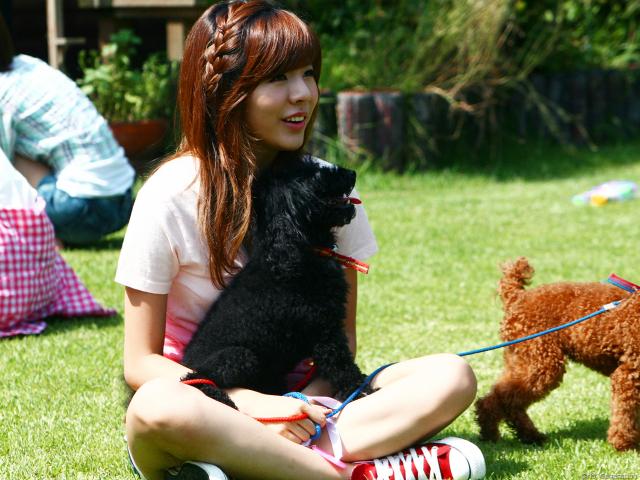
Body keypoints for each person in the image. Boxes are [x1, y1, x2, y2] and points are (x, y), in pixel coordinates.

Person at [116, 1, 485, 479]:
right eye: (278, 78)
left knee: (451, 375)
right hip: (206, 403)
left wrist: (301, 407)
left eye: (308, 74)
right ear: (226, 91)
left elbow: (340, 340)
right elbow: (141, 362)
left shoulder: (329, 190)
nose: (303, 94)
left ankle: (264, 464)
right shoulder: (168, 195)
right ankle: (348, 472)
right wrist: (254, 406)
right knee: (157, 407)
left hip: (314, 409)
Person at [0, 13, 135, 246]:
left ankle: (43, 232)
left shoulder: (2, 90)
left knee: (12, 160)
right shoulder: (28, 65)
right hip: (123, 201)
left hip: (82, 207)